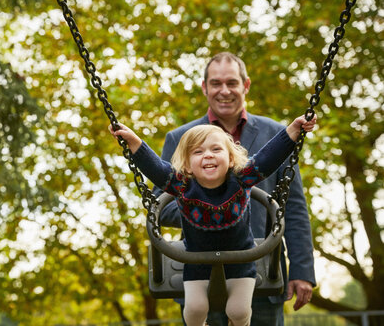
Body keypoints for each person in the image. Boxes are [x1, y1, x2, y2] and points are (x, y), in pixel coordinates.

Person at [109, 114, 316, 326]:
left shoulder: (243, 178)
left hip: (242, 258)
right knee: (194, 310)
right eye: (198, 152)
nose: (207, 155)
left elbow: (268, 157)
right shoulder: (182, 186)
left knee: (238, 310)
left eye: (216, 150)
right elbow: (156, 168)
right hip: (197, 260)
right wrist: (134, 142)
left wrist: (293, 131)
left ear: (231, 159)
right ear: (187, 165)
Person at [157, 52, 316, 325]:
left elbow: (294, 207)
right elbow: (162, 206)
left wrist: (302, 269)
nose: (224, 91)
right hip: (200, 272)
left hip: (261, 268)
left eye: (232, 82)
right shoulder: (181, 139)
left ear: (246, 85)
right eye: (216, 83)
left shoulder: (275, 135)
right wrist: (206, 207)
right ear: (205, 88)